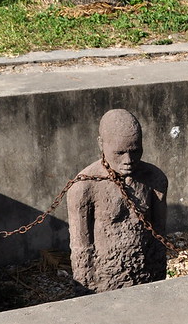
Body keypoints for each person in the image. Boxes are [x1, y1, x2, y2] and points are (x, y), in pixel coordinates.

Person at [67, 109, 168, 293]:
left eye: (134, 151)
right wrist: (85, 288)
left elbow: (159, 233)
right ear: (101, 144)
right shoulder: (84, 187)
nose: (128, 160)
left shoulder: (154, 179)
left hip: (145, 271)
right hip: (105, 278)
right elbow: (81, 247)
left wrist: (158, 269)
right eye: (119, 152)